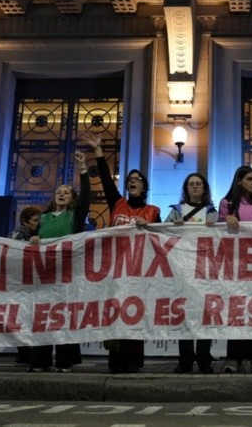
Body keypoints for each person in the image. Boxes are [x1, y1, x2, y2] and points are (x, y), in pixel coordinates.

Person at [88, 135, 160, 373]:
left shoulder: (153, 211)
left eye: (137, 180)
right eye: (130, 179)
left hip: (139, 270)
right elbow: (107, 181)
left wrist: (148, 226)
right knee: (115, 312)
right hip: (115, 269)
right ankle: (115, 362)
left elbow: (161, 240)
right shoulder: (117, 203)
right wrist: (99, 151)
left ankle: (134, 361)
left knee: (134, 313)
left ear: (144, 186)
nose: (133, 182)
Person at [28, 149, 90, 373]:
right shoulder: (42, 219)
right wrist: (34, 240)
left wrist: (83, 168)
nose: (62, 193)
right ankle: (40, 360)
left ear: (72, 199)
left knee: (65, 315)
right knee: (43, 315)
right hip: (44, 273)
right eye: (58, 191)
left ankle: (65, 361)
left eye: (67, 192)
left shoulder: (74, 217)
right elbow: (31, 243)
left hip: (67, 273)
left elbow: (87, 198)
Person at [218, 165, 252, 373]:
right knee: (236, 311)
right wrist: (225, 221)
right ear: (239, 180)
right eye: (249, 179)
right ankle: (234, 358)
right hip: (234, 264)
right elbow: (219, 233)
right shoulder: (227, 203)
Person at [166, 172, 217, 374]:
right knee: (184, 314)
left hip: (205, 269)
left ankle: (204, 359)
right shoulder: (176, 211)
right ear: (186, 189)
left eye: (198, 184)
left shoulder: (213, 212)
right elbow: (162, 232)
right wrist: (172, 226)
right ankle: (185, 359)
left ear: (204, 188)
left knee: (204, 314)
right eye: (191, 184)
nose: (195, 187)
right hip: (182, 269)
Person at [8, 206, 41, 365]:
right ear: (25, 221)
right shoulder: (21, 233)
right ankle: (24, 353)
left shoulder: (28, 233)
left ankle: (24, 353)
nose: (38, 223)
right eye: (35, 220)